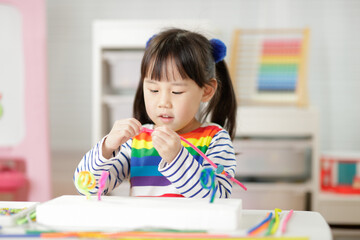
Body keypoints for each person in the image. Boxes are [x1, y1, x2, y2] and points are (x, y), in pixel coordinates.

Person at [74, 28, 238, 198]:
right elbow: (88, 188)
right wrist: (107, 147)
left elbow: (217, 198)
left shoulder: (216, 139)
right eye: (153, 90)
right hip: (141, 225)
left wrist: (177, 159)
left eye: (176, 92)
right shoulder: (137, 141)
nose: (163, 103)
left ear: (206, 91)